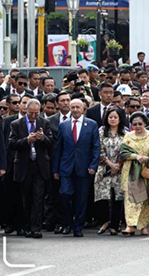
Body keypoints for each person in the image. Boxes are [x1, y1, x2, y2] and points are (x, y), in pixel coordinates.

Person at [53, 99, 100, 237]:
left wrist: (93, 165)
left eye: (77, 107)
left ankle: (78, 227)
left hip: (84, 168)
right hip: (66, 167)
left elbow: (96, 147)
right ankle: (67, 223)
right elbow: (58, 149)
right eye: (72, 107)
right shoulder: (63, 125)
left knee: (81, 199)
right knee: (64, 194)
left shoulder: (91, 125)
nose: (74, 110)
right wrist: (56, 169)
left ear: (83, 108)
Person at [9, 99, 53, 238]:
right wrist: (27, 140)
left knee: (38, 197)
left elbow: (51, 142)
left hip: (39, 165)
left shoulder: (44, 123)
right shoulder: (16, 124)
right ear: (26, 111)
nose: (34, 116)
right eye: (31, 113)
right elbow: (11, 143)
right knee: (25, 198)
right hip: (24, 164)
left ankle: (36, 227)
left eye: (36, 113)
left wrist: (42, 138)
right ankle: (26, 225)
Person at [119, 111, 149, 236]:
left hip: (147, 171)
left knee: (147, 199)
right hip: (131, 171)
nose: (137, 126)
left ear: (145, 124)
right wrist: (136, 157)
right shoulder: (128, 136)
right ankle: (130, 225)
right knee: (130, 199)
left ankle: (143, 226)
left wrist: (148, 158)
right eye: (134, 124)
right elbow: (123, 152)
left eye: (140, 124)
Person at [94, 107, 126, 236]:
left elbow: (126, 150)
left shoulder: (125, 133)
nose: (112, 119)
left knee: (118, 197)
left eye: (115, 117)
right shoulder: (101, 132)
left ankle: (115, 224)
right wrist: (109, 164)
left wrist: (118, 164)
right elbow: (99, 149)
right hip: (104, 167)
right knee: (104, 197)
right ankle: (105, 221)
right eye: (110, 117)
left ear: (120, 119)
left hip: (120, 169)